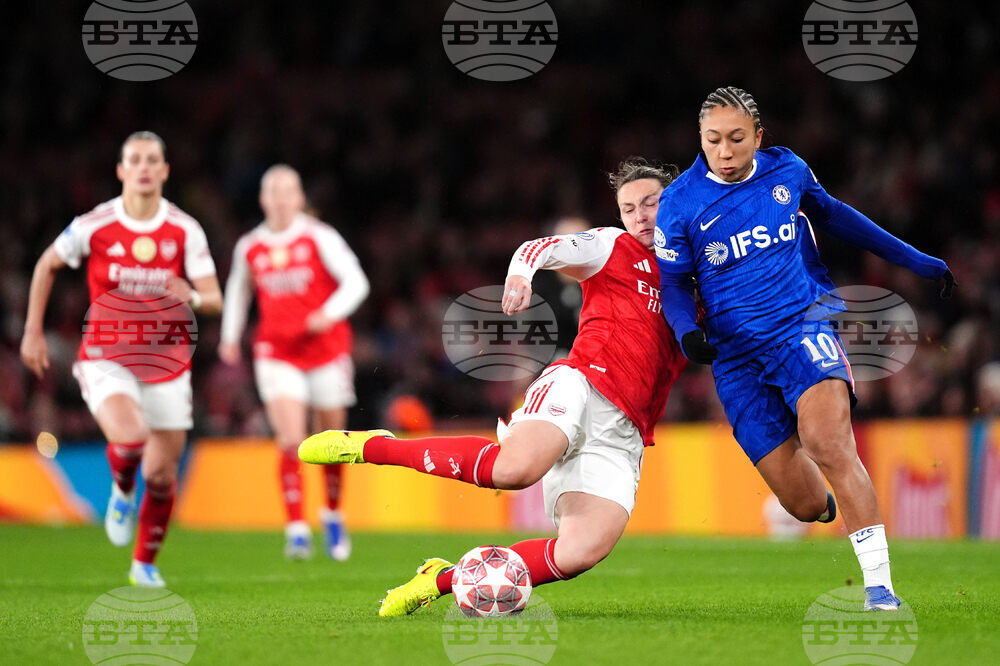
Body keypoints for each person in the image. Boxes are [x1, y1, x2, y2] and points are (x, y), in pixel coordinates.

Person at [298, 157, 688, 617]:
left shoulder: (700, 278)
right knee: (514, 470)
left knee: (580, 552)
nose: (640, 216)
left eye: (652, 203)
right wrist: (521, 275)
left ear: (677, 204)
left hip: (625, 430)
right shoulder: (611, 245)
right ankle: (372, 447)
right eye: (629, 208)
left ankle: (439, 579)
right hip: (580, 383)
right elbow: (538, 246)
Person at [654, 87, 956, 611]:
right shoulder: (679, 203)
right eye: (712, 141)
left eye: (736, 139)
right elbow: (676, 286)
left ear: (758, 137)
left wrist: (918, 260)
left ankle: (880, 589)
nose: (724, 152)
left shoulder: (787, 171)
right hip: (736, 358)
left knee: (828, 442)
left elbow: (838, 216)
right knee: (805, 504)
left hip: (802, 325)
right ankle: (829, 505)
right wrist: (686, 333)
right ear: (699, 140)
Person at [20, 131, 223, 588]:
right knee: (131, 440)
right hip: (105, 354)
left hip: (168, 362)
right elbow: (46, 265)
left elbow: (215, 299)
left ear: (166, 170)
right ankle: (121, 490)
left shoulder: (185, 229)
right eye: (135, 159)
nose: (144, 167)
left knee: (163, 474)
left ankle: (144, 563)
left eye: (153, 159)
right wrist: (32, 330)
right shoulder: (95, 223)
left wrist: (192, 294)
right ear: (121, 170)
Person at [219, 165, 369, 560]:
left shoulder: (320, 236)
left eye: (289, 190)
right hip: (277, 351)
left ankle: (333, 516)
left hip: (326, 349)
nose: (281, 198)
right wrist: (230, 337)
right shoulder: (249, 245)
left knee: (331, 441)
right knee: (290, 438)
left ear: (300, 198)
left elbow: (356, 282)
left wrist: (330, 312)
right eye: (274, 190)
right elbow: (238, 290)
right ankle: (297, 529)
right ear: (263, 198)